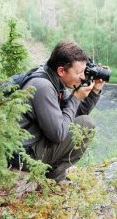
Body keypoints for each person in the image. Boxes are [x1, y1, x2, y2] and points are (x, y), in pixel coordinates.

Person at [18, 40, 106, 182]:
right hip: (22, 156)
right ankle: (54, 179)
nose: (83, 77)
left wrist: (95, 90)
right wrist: (75, 98)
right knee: (86, 125)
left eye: (84, 72)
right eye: (78, 72)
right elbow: (59, 134)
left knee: (82, 122)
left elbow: (74, 114)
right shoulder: (44, 87)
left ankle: (53, 177)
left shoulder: (51, 78)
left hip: (26, 147)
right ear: (61, 70)